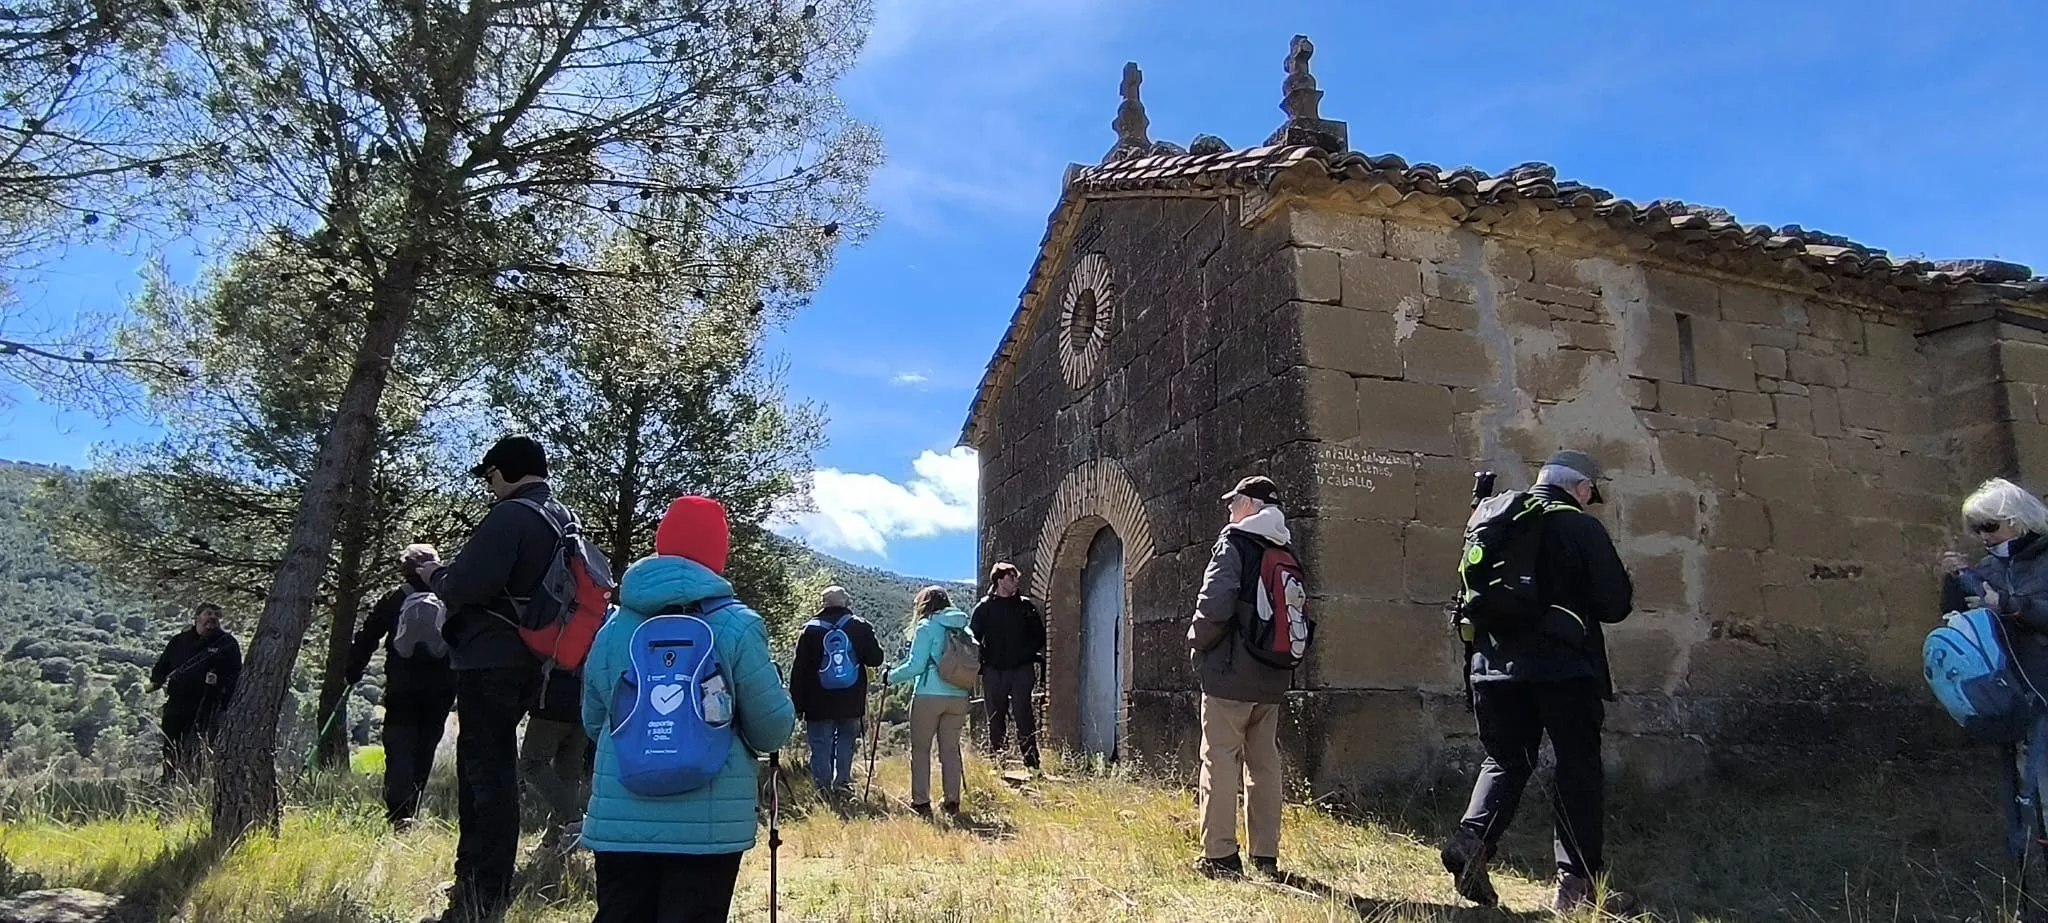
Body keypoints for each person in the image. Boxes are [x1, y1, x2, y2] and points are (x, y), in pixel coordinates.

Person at [581, 495, 795, 923]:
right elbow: (771, 730)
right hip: (707, 828)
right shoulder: (737, 625)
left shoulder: (614, 626)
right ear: (719, 552)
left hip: (621, 821)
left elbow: (593, 720)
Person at [1441, 450, 1636, 914]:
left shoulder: (1496, 519)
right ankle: (1577, 887)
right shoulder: (1580, 526)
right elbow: (1615, 604)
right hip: (1563, 668)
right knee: (1576, 767)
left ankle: (1471, 841)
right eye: (1591, 493)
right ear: (1582, 488)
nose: (1591, 500)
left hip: (1491, 665)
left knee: (1506, 759)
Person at [419, 435, 566, 922]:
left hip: (490, 660)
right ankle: (483, 879)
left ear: (503, 471)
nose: (489, 484)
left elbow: (466, 584)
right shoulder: (561, 517)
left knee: (485, 773)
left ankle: (483, 889)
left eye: (489, 475)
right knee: (497, 768)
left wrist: (436, 573)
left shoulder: (511, 515)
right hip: (532, 660)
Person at [1187, 475, 1296, 880]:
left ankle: (1219, 857)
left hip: (1230, 673)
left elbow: (1215, 603)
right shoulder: (1283, 546)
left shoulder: (1234, 542)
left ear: (1251, 504)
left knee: (1219, 759)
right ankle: (1265, 856)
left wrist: (1197, 641)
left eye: (1235, 502)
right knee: (1265, 763)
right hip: (1271, 674)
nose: (1230, 509)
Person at [346, 544, 458, 829]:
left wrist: (353, 671)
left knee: (399, 745)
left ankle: (398, 812)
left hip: (402, 685)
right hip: (441, 686)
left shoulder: (394, 599)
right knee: (426, 745)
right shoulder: (450, 596)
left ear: (404, 569)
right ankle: (413, 810)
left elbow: (367, 636)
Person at [886, 587, 974, 817]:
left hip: (929, 695)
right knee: (950, 751)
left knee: (922, 750)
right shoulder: (963, 626)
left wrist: (890, 677)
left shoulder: (926, 627)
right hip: (959, 695)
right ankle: (952, 801)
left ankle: (922, 802)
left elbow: (915, 666)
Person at [788, 586, 884, 797]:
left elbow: (799, 671)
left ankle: (823, 791)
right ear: (846, 602)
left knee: (820, 745)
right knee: (846, 742)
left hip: (817, 702)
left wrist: (797, 705)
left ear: (823, 604)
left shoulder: (809, 630)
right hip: (851, 700)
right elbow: (876, 659)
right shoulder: (859, 626)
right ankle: (843, 786)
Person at [149, 602, 241, 784]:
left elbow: (236, 675)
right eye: (208, 613)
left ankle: (191, 786)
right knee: (171, 745)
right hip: (177, 703)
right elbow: (162, 666)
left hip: (208, 706)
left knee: (198, 748)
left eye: (217, 614)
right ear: (197, 617)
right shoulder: (179, 641)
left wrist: (220, 688)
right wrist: (156, 682)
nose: (213, 617)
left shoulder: (227, 644)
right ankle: (168, 781)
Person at [971, 563, 1045, 770]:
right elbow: (973, 638)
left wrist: (1026, 654)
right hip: (993, 670)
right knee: (995, 716)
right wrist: (982, 660)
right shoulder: (984, 607)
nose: (1016, 582)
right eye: (1012, 578)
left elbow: (1039, 635)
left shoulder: (1025, 606)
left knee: (1024, 714)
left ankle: (1032, 763)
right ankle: (998, 763)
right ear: (1000, 580)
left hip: (1022, 669)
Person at [521, 665, 589, 850]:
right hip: (582, 703)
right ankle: (555, 842)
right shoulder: (593, 634)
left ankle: (574, 818)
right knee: (568, 775)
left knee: (532, 763)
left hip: (550, 702)